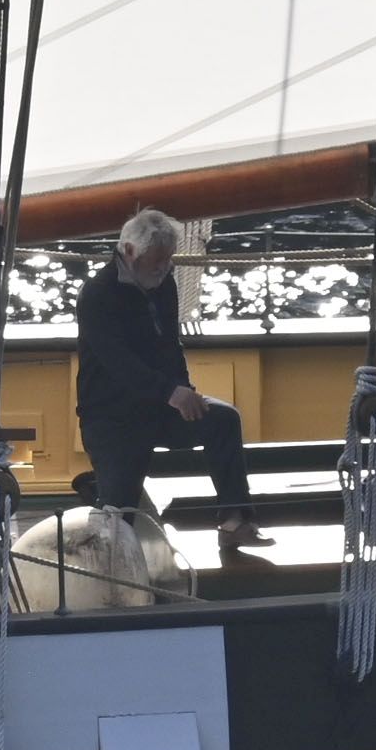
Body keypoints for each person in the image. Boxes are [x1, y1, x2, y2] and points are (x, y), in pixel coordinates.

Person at [71, 207, 263, 553]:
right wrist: (170, 392)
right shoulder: (97, 294)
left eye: (169, 258)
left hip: (159, 408)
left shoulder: (164, 284)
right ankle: (102, 499)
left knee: (223, 420)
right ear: (130, 252)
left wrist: (185, 390)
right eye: (158, 260)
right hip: (112, 419)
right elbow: (118, 362)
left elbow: (170, 346)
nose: (165, 266)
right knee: (119, 519)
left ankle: (235, 520)